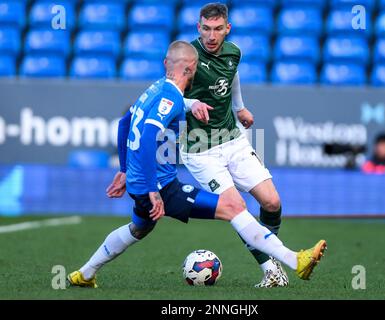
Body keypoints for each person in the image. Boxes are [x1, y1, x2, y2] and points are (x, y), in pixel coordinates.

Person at [67, 41, 327, 288]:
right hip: (160, 187)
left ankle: (85, 274)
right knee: (233, 207)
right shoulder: (170, 98)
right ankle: (295, 260)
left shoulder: (154, 89)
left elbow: (125, 123)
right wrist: (152, 189)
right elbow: (148, 136)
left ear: (166, 63)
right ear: (190, 69)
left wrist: (125, 169)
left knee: (140, 227)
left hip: (142, 182)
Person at [180, 3, 288, 287]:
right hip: (200, 149)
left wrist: (240, 108)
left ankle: (270, 254)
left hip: (232, 139)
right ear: (198, 28)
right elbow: (168, 95)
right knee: (236, 206)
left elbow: (232, 77)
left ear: (228, 29)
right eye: (206, 29)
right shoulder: (186, 58)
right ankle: (270, 269)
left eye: (217, 29)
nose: (212, 36)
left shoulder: (233, 52)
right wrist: (191, 104)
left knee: (272, 202)